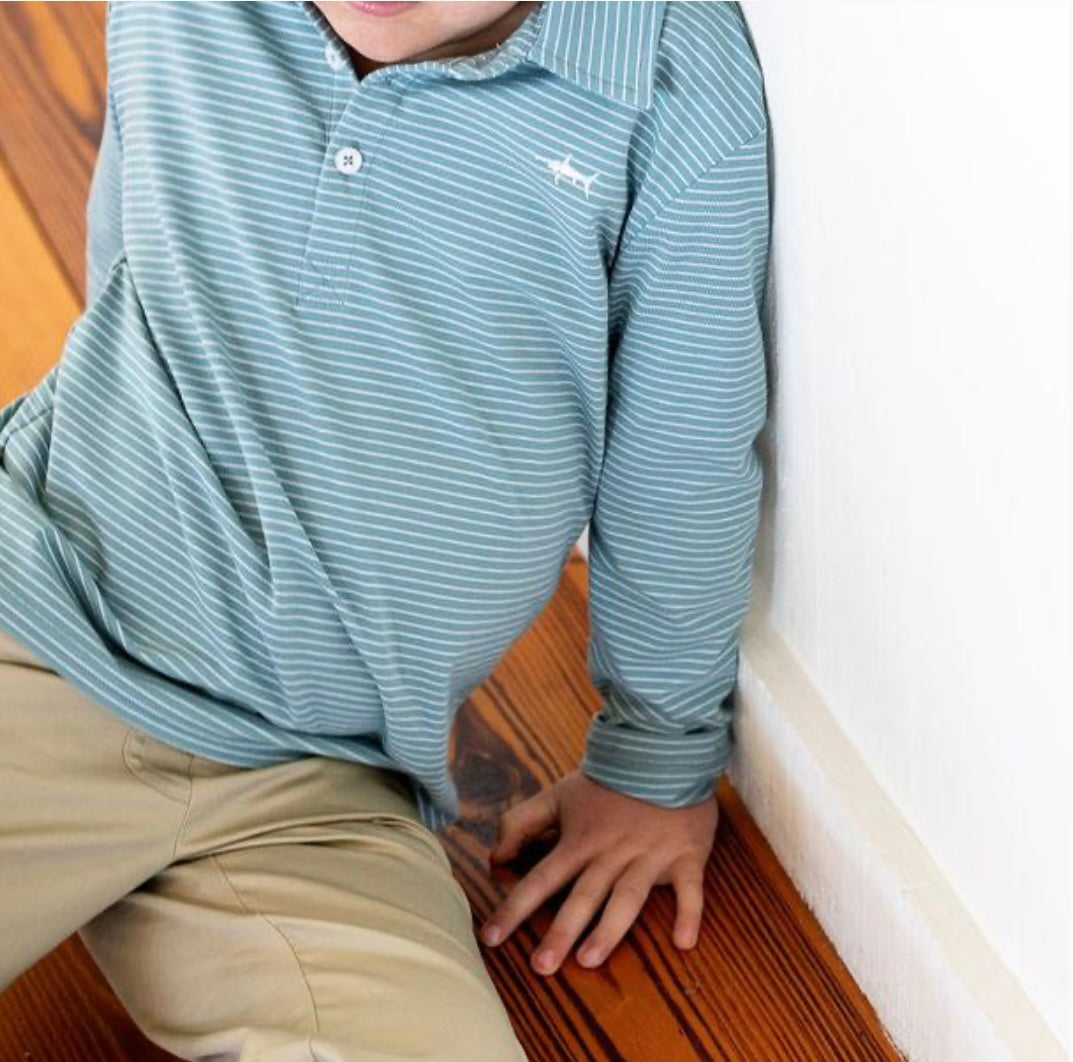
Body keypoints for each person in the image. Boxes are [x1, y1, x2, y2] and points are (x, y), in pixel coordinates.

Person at [0, 1, 770, 1058]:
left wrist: (654, 756)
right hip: (44, 632)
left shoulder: (666, 73)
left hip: (322, 783)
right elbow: (140, 225)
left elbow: (679, 445)